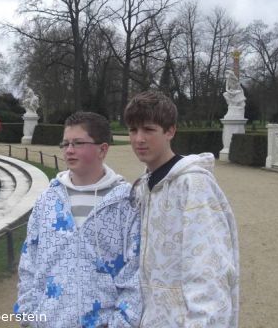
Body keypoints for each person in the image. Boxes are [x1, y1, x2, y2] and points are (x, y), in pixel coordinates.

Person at [14, 112, 141, 327]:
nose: (69, 150)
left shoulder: (127, 202)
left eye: (78, 143)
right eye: (65, 143)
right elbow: (29, 262)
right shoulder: (47, 201)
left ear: (102, 149)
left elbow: (135, 272)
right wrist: (29, 315)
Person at [124, 90, 239, 327]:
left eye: (148, 129)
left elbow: (209, 270)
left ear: (170, 131)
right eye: (133, 130)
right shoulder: (145, 186)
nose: (139, 139)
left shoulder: (194, 185)